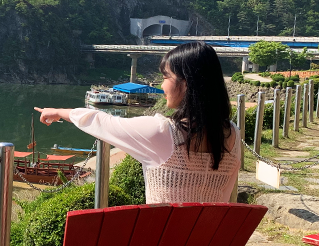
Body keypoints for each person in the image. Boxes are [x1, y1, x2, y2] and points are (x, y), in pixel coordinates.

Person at [35, 41, 240, 203]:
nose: (161, 85)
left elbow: (102, 122)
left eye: (165, 77)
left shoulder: (162, 132)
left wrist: (59, 112)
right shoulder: (232, 134)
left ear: (185, 84)